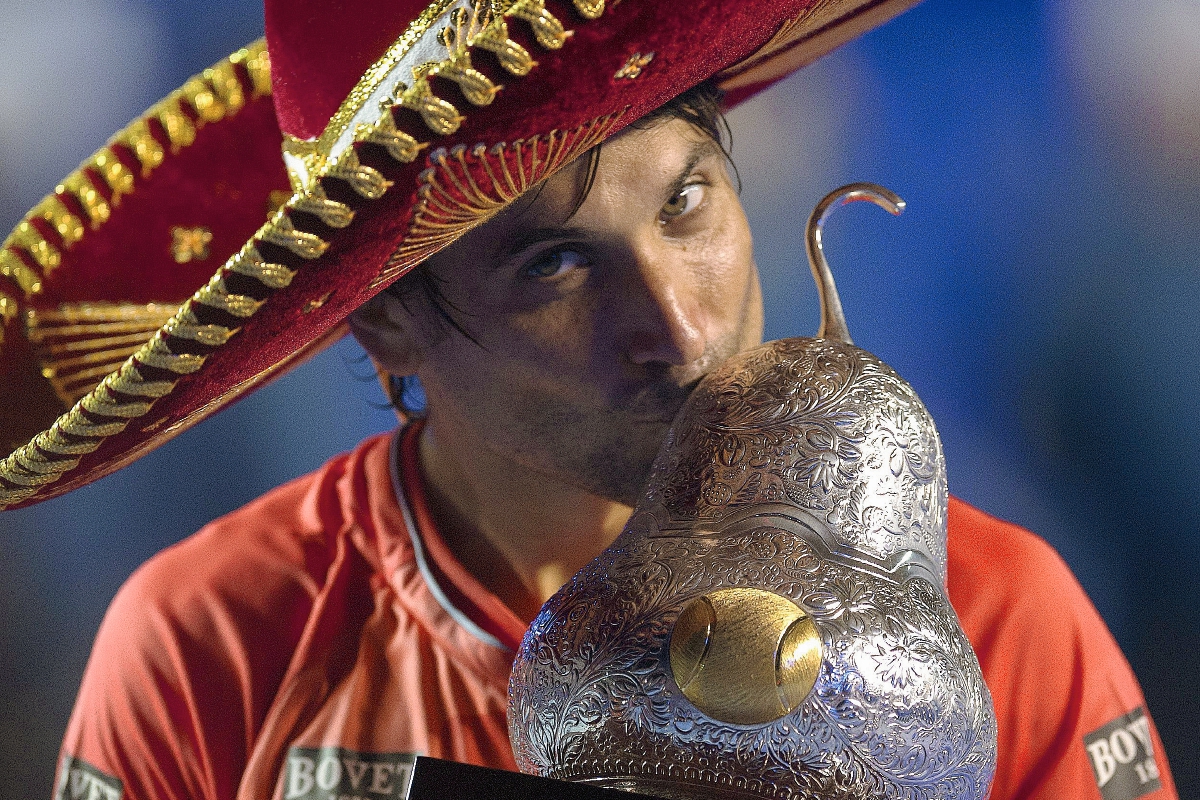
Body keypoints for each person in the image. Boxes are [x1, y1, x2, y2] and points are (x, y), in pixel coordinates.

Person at [0, 1, 1177, 799]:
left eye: (686, 203)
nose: (678, 325)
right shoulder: (210, 647)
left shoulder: (994, 619)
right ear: (385, 319)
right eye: (553, 265)